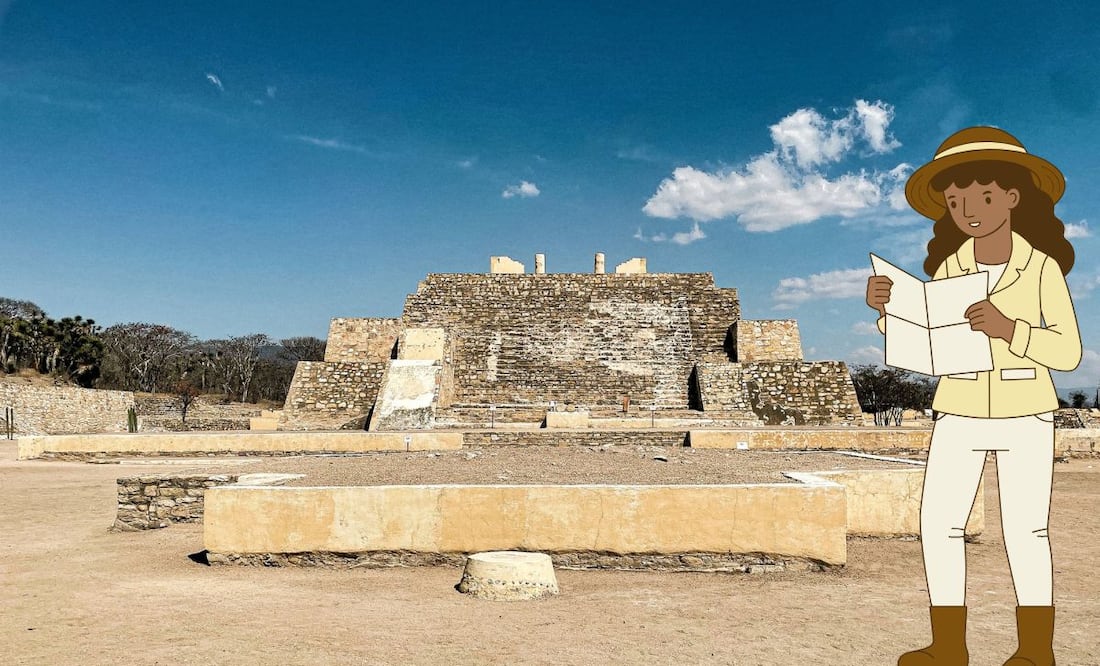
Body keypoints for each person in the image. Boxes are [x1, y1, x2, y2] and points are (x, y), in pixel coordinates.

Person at [865, 126, 1081, 666]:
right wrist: (888, 311)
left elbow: (1068, 351)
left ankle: (1036, 650)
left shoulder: (1041, 268)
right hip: (958, 408)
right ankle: (948, 646)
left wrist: (1010, 330)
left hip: (1025, 411)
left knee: (1026, 529)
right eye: (957, 202)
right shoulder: (949, 268)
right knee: (938, 525)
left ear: (1012, 197)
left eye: (983, 197)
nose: (969, 211)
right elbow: (930, 340)